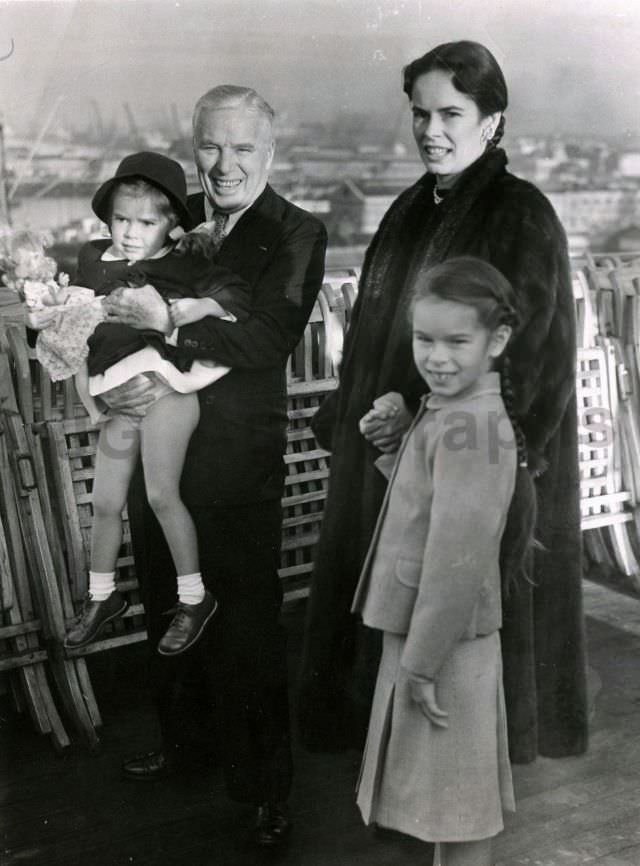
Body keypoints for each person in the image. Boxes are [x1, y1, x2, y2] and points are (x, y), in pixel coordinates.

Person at [299, 39, 586, 765]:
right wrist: (357, 406)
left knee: (454, 611)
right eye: (421, 113)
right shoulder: (407, 208)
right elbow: (372, 328)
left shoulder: (521, 214)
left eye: (451, 113)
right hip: (388, 445)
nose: (431, 129)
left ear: (492, 120)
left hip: (463, 454)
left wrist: (489, 453)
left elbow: (538, 352)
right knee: (401, 606)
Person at [96, 86, 327, 847]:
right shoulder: (175, 216)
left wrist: (168, 328)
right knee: (166, 600)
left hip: (233, 461)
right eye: (210, 146)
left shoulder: (297, 232)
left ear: (270, 151)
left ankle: (266, 790)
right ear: (194, 144)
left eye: (241, 149)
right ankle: (186, 747)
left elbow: (267, 340)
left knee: (248, 628)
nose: (223, 164)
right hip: (155, 443)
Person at [28, 152, 252, 657]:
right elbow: (75, 311)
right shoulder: (91, 257)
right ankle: (101, 599)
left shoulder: (183, 265)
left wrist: (199, 306)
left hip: (166, 392)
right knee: (103, 503)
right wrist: (49, 313)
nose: (130, 232)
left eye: (146, 222)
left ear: (171, 227)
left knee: (159, 496)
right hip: (118, 397)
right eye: (121, 219)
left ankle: (194, 599)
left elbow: (237, 300)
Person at [354, 256, 533, 866]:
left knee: (458, 805)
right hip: (432, 634)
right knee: (446, 798)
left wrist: (422, 664)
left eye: (457, 341)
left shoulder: (473, 425)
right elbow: (433, 506)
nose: (436, 356)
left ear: (498, 340)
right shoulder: (450, 411)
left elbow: (457, 560)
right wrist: (398, 445)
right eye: (424, 339)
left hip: (441, 643)